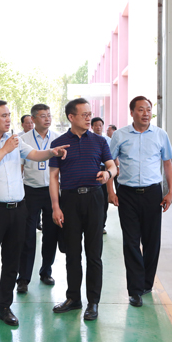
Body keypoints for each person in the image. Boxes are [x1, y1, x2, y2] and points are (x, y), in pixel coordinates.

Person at [0, 99, 69, 337]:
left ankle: (4, 308)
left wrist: (53, 152)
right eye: (3, 116)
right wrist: (4, 150)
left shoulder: (16, 141)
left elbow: (34, 154)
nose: (8, 119)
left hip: (18, 209)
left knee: (12, 262)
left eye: (9, 115)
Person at [49, 98, 117, 321]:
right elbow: (53, 178)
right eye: (84, 114)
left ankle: (93, 302)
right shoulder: (59, 143)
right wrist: (56, 207)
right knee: (72, 253)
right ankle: (73, 298)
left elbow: (112, 166)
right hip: (69, 201)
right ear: (71, 117)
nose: (89, 117)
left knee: (94, 253)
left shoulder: (99, 141)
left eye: (90, 113)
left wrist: (108, 174)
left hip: (95, 199)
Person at [107, 96, 172, 307]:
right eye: (141, 110)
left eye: (148, 109)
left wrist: (170, 192)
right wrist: (111, 191)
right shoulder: (120, 135)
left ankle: (146, 283)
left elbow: (167, 164)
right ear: (132, 112)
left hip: (153, 193)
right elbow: (109, 164)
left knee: (152, 241)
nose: (145, 113)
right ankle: (134, 289)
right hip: (126, 193)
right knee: (131, 242)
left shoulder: (160, 135)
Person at [16, 103, 63, 293]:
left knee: (51, 234)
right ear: (33, 119)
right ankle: (24, 278)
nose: (47, 118)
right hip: (30, 191)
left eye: (49, 115)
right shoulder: (22, 139)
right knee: (27, 236)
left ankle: (46, 272)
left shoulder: (58, 139)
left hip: (52, 192)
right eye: (43, 116)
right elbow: (19, 167)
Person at [91, 117, 112, 234]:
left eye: (100, 125)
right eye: (96, 125)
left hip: (105, 171)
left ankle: (102, 224)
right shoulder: (89, 140)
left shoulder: (108, 140)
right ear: (92, 127)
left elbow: (113, 158)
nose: (98, 127)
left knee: (104, 199)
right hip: (93, 171)